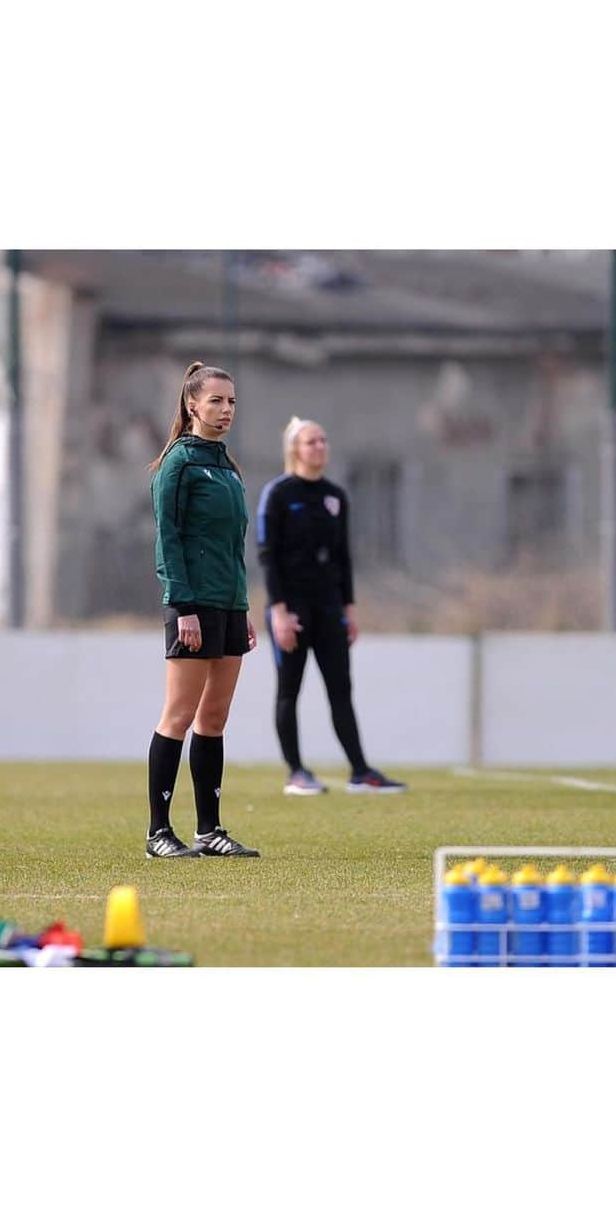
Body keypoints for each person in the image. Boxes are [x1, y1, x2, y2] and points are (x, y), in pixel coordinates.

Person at [144, 361, 260, 858]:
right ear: (193, 404)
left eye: (231, 401)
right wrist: (183, 606)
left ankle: (209, 830)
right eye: (216, 400)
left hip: (229, 605)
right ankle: (158, 833)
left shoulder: (226, 466)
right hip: (190, 606)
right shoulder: (179, 462)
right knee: (179, 714)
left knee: (214, 718)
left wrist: (244, 606)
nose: (226, 409)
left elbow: (233, 546)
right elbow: (168, 540)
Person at [256, 416, 406, 795]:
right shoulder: (278, 494)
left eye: (323, 440)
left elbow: (343, 557)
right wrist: (279, 612)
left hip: (328, 608)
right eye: (311, 442)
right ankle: (296, 772)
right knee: (289, 689)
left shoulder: (336, 496)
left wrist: (349, 609)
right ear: (295, 450)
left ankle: (360, 771)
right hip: (292, 609)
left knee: (341, 688)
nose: (320, 447)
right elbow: (266, 556)